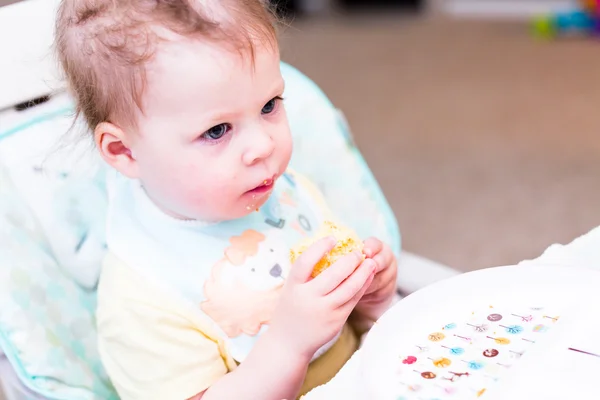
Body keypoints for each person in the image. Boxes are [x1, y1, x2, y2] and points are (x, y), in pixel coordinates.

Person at [55, 1, 399, 399]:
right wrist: (287, 345)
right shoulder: (144, 297)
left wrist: (373, 302)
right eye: (217, 130)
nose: (263, 145)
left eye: (269, 106)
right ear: (124, 153)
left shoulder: (285, 195)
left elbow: (356, 339)